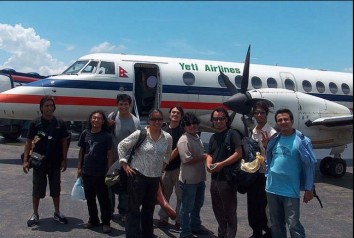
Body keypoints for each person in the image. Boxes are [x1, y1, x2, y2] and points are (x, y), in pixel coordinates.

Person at [118, 108, 172, 238]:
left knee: (149, 209)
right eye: (154, 119)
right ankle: (132, 235)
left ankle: (147, 234)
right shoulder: (140, 134)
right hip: (138, 176)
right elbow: (122, 145)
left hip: (154, 178)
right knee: (133, 209)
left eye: (159, 119)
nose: (157, 122)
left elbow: (168, 154)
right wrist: (124, 164)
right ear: (149, 120)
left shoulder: (167, 137)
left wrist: (162, 166)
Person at [265, 108, 316, 238]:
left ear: (292, 121)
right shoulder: (274, 139)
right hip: (272, 188)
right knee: (275, 224)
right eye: (279, 120)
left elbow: (309, 166)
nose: (283, 122)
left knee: (293, 224)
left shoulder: (302, 141)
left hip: (290, 190)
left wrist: (309, 188)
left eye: (286, 119)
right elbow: (270, 158)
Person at [23, 95, 69, 227]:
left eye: (51, 105)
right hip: (38, 162)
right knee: (37, 189)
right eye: (47, 106)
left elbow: (64, 142)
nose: (50, 108)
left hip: (54, 162)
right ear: (41, 108)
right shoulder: (35, 123)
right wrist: (26, 160)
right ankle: (35, 214)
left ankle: (57, 212)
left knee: (56, 189)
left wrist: (64, 160)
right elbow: (28, 142)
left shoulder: (60, 123)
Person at [206, 107, 243, 238]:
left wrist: (222, 164)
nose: (218, 121)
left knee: (229, 211)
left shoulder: (233, 134)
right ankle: (222, 234)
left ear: (226, 119)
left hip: (227, 179)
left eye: (221, 118)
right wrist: (208, 164)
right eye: (215, 119)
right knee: (217, 210)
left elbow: (239, 153)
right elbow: (210, 154)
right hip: (215, 179)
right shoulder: (213, 137)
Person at [77, 110, 113, 233]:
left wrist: (109, 171)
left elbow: (109, 154)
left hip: (101, 174)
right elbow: (82, 151)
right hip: (87, 172)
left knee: (104, 200)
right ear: (90, 119)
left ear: (103, 121)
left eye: (99, 118)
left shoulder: (106, 136)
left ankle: (106, 222)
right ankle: (93, 220)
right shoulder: (85, 133)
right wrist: (79, 168)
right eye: (94, 118)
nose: (96, 120)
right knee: (90, 199)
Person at [108, 94, 141, 223]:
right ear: (117, 105)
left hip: (127, 161)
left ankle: (123, 212)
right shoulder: (112, 117)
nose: (123, 107)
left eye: (126, 104)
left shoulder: (135, 121)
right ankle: (109, 211)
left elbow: (137, 141)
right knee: (109, 184)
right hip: (113, 159)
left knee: (125, 188)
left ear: (130, 105)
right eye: (120, 104)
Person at [247, 101, 277, 238]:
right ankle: (256, 231)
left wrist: (266, 146)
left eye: (262, 112)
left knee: (264, 206)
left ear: (266, 114)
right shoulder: (253, 131)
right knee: (252, 204)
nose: (259, 115)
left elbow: (275, 155)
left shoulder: (272, 133)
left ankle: (269, 231)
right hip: (254, 173)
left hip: (266, 174)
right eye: (256, 113)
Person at [177, 112, 209, 238]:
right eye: (189, 124)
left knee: (197, 204)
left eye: (194, 123)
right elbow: (187, 160)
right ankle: (184, 232)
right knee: (186, 208)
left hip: (199, 178)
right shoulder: (184, 140)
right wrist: (204, 157)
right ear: (184, 126)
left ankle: (195, 226)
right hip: (188, 180)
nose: (192, 126)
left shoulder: (196, 136)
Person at [157, 105, 184, 230]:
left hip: (178, 168)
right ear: (169, 114)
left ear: (181, 116)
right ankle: (163, 218)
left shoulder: (183, 130)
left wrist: (165, 163)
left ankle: (179, 220)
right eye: (173, 112)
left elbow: (178, 149)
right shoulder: (163, 129)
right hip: (165, 169)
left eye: (178, 113)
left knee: (180, 196)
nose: (175, 115)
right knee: (165, 194)